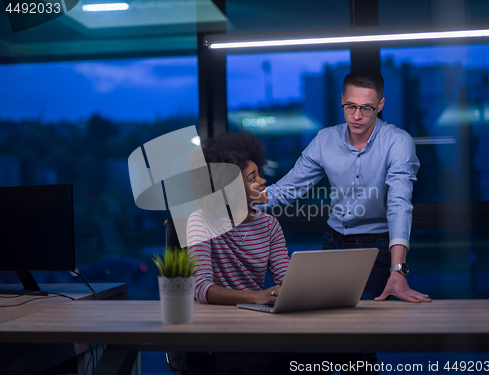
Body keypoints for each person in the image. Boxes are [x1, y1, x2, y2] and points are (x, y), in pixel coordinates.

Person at [172, 131, 368, 375]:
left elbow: (286, 279)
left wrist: (310, 291)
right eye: (252, 178)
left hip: (258, 325)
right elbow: (202, 288)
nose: (263, 181)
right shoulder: (200, 221)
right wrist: (255, 297)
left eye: (259, 174)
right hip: (219, 332)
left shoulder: (269, 224)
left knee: (352, 355)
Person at [258, 69, 431, 305]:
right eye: (350, 106)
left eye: (366, 108)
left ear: (380, 105)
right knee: (326, 318)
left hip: (376, 248)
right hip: (334, 244)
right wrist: (229, 203)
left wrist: (398, 269)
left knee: (369, 326)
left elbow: (399, 204)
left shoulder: (398, 142)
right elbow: (285, 190)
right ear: (341, 100)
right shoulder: (324, 140)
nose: (356, 115)